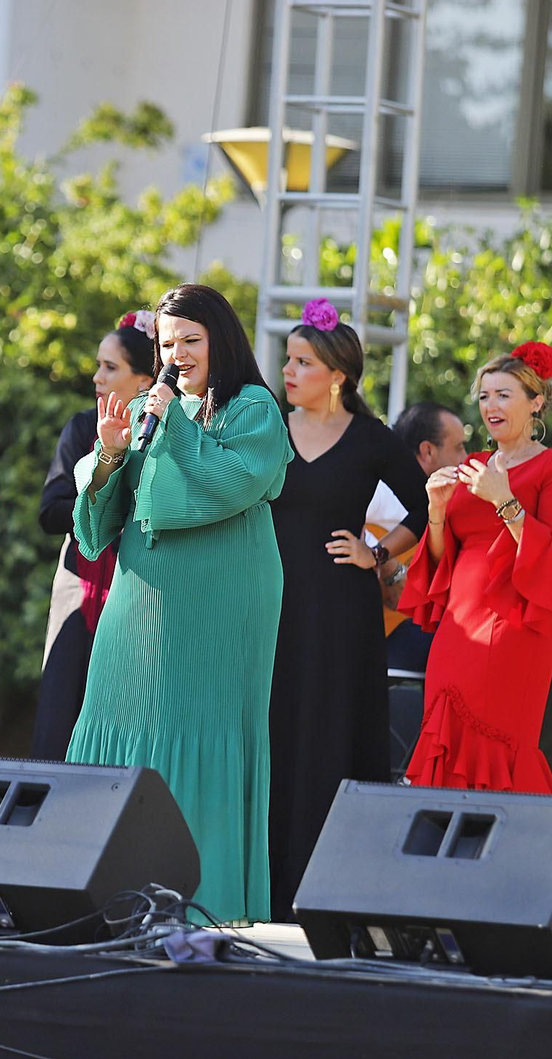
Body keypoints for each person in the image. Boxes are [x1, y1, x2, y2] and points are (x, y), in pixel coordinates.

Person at [67, 283, 292, 924]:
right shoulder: (149, 405)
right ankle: (107, 893)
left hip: (220, 600)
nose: (179, 353)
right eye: (169, 342)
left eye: (192, 340)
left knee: (199, 730)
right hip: (139, 596)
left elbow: (225, 484)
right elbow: (100, 515)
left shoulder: (253, 407)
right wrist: (111, 452)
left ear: (221, 340)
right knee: (117, 718)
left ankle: (198, 903)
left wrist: (171, 426)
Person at [266, 298, 429, 920]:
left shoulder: (371, 439)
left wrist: (379, 555)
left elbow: (424, 505)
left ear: (337, 375)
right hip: (273, 601)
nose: (289, 371)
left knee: (332, 729)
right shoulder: (269, 429)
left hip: (339, 607)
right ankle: (269, 878)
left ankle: (331, 886)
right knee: (275, 727)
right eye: (289, 360)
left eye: (303, 362)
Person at [397, 342, 552, 792]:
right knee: (446, 739)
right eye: (484, 396)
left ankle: (515, 854)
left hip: (516, 623)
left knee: (500, 743)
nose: (490, 406)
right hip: (459, 625)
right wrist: (436, 511)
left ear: (535, 403)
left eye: (503, 395)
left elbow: (551, 553)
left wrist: (505, 500)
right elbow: (440, 559)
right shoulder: (472, 465)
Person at [30, 312, 157, 759]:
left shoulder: (166, 435)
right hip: (78, 585)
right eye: (98, 365)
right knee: (61, 709)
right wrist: (102, 509)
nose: (97, 377)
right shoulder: (83, 427)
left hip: (139, 589)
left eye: (110, 367)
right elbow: (49, 512)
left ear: (145, 381)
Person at [382, 401, 471, 673]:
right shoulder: (379, 496)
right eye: (458, 448)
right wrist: (388, 567)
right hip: (383, 639)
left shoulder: (453, 505)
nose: (466, 458)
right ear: (428, 451)